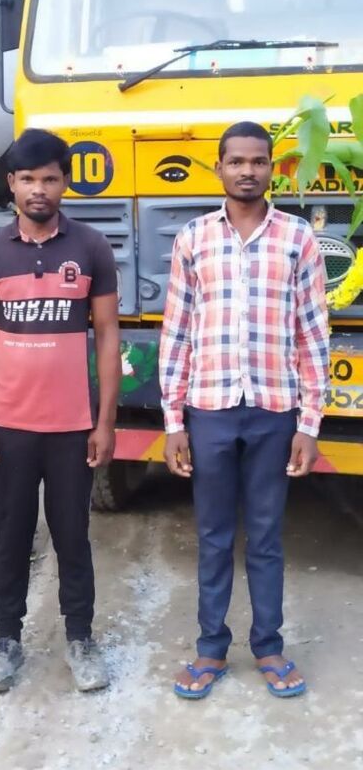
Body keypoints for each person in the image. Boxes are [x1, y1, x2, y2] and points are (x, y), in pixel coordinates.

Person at [159, 121, 329, 700]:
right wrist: (173, 422)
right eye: (237, 161)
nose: (247, 171)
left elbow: (313, 335)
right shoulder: (194, 238)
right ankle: (211, 648)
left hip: (274, 409)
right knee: (212, 535)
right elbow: (177, 332)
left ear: (271, 169)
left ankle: (269, 646)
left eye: (258, 161)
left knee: (266, 535)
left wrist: (309, 424)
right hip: (209, 408)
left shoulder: (298, 238)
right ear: (219, 168)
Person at [0, 129, 121, 692]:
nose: (38, 189)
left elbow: (108, 336)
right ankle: (6, 642)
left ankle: (80, 639)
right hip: (9, 426)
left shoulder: (91, 248)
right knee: (11, 536)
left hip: (72, 427)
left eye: (50, 178)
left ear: (65, 183)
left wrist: (105, 421)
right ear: (11, 183)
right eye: (28, 178)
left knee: (73, 536)